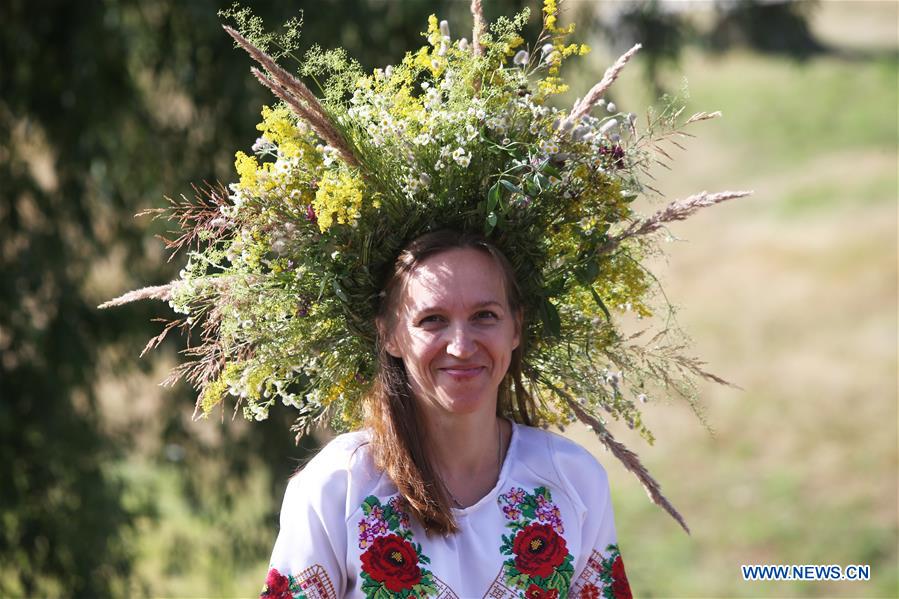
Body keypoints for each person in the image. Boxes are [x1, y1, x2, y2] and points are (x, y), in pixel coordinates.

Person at [261, 230, 630, 599]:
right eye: (433, 319)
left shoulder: (573, 480)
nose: (461, 346)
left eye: (485, 315)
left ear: (516, 327)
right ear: (389, 335)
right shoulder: (339, 485)